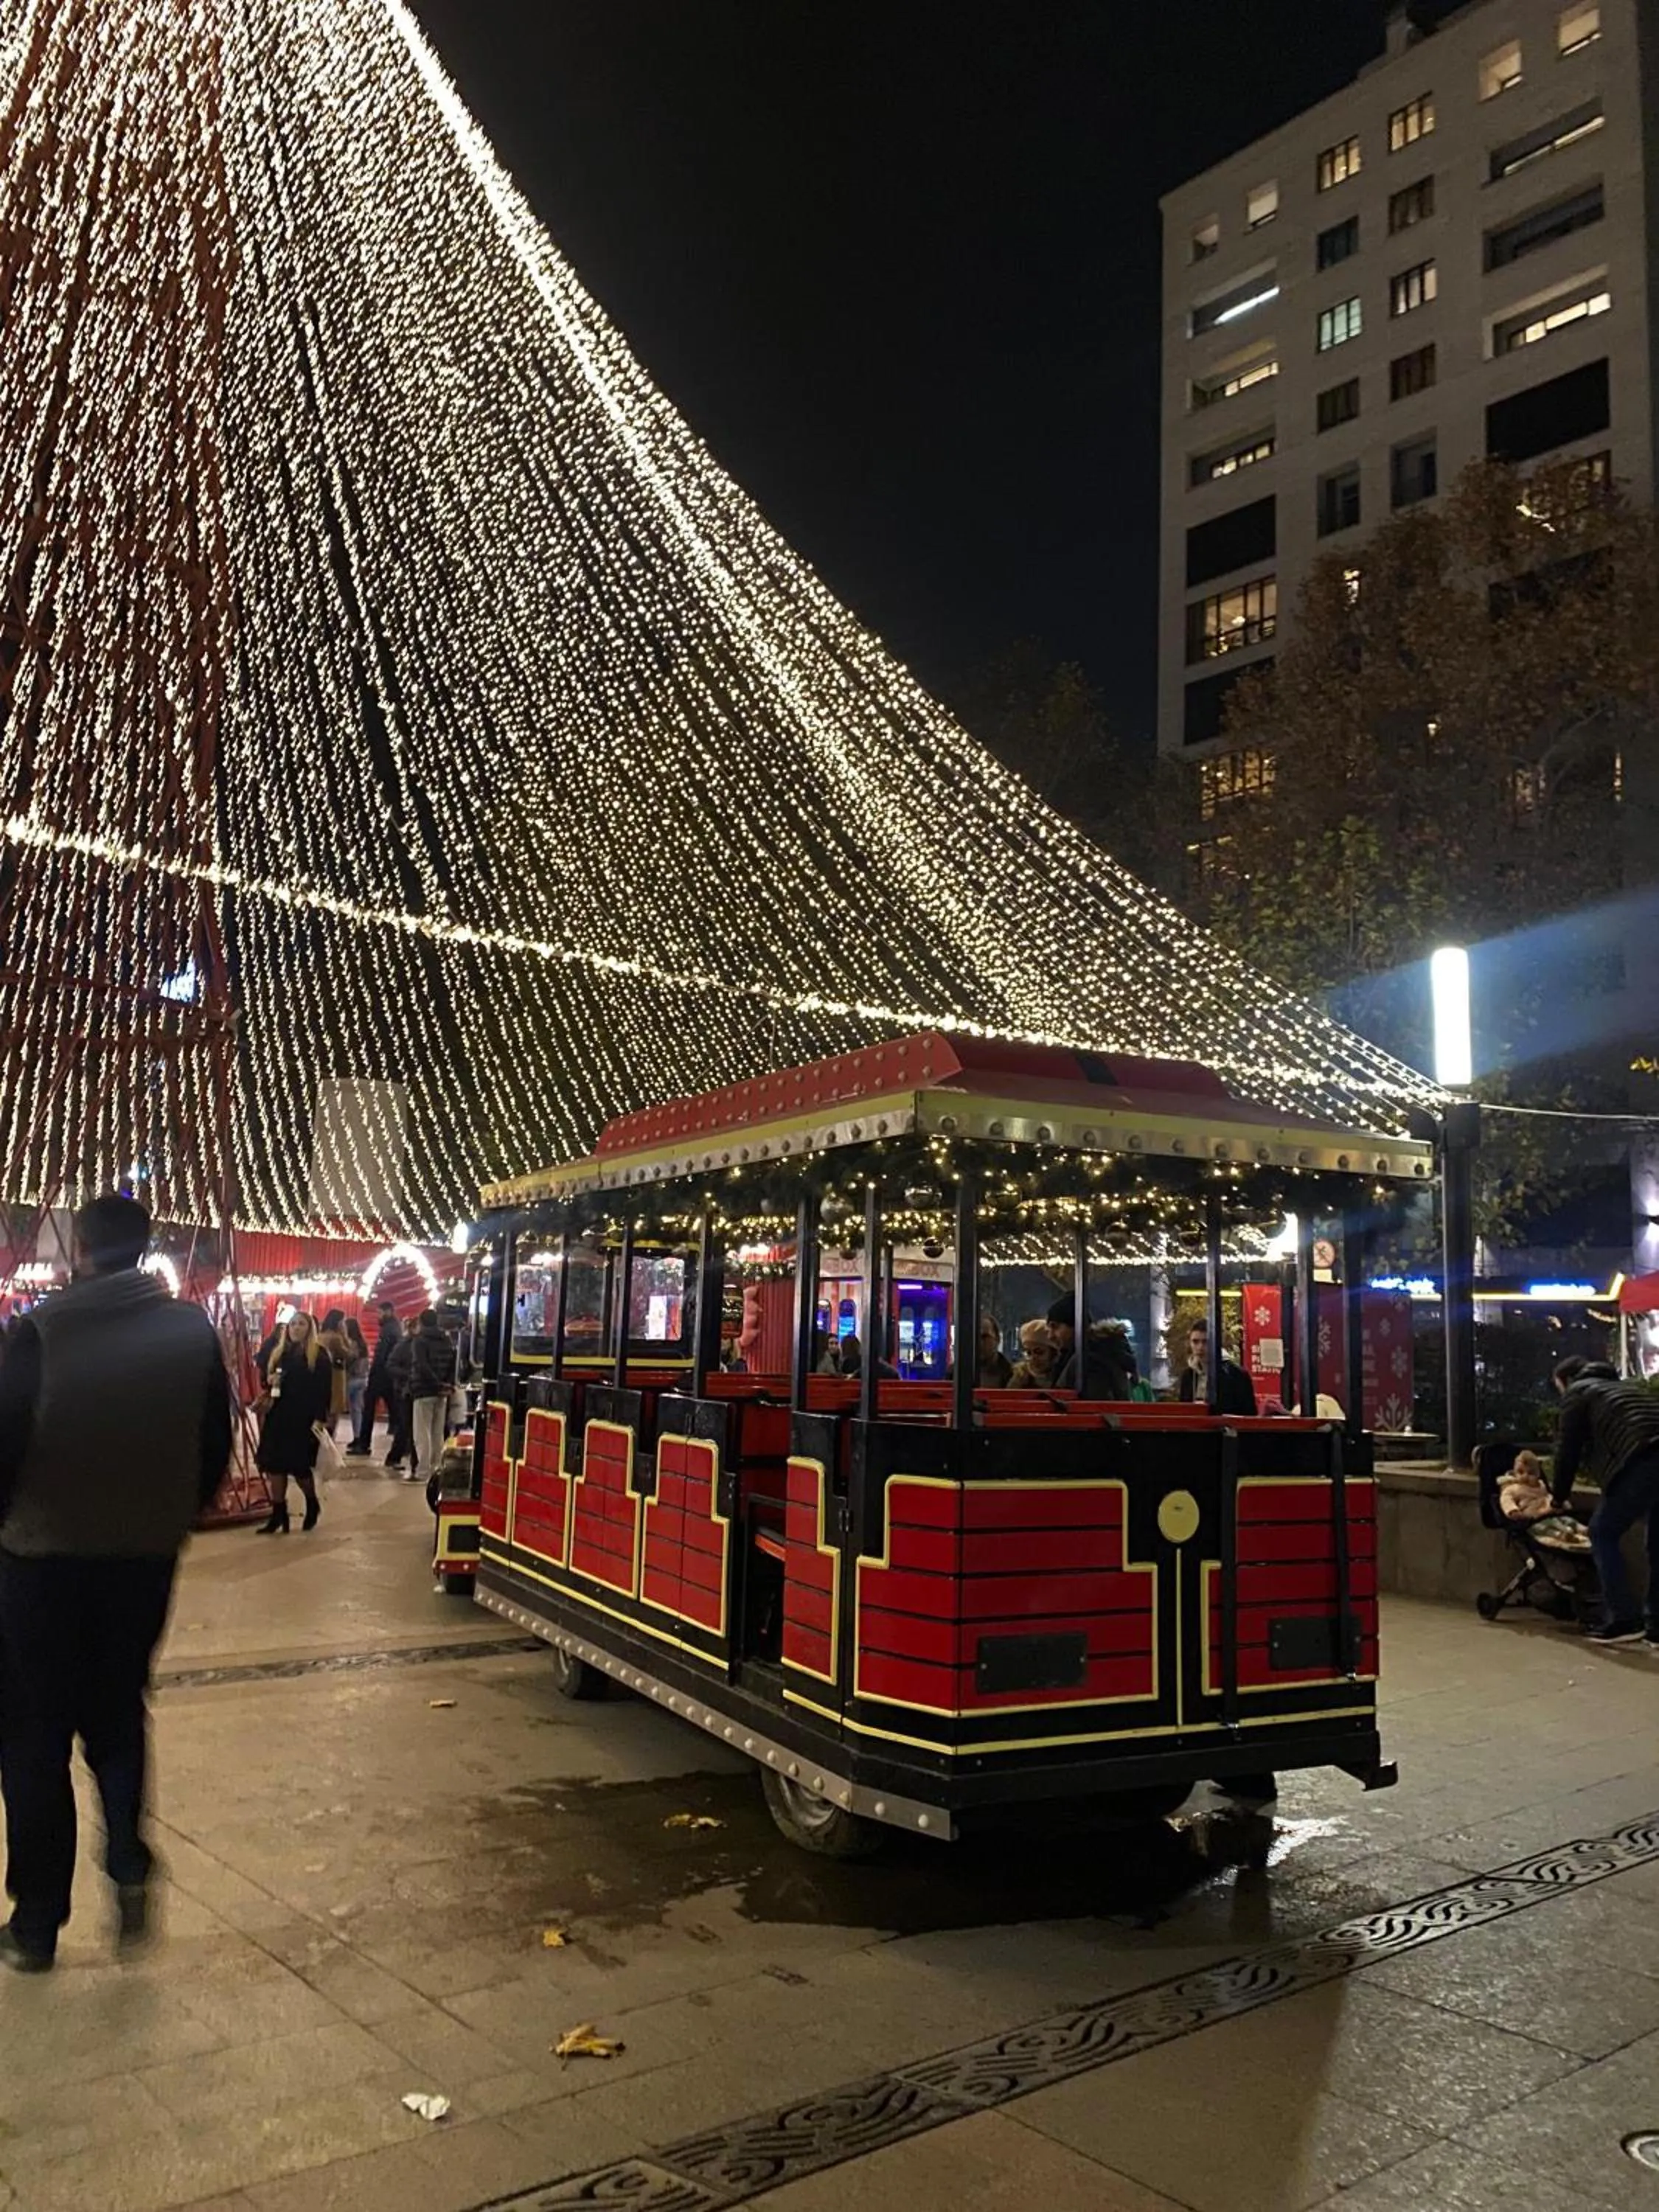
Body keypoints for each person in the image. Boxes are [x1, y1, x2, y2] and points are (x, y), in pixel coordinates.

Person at [0, 1193, 232, 1971]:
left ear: (80, 1252)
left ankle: (36, 1924)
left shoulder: (39, 1331)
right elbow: (214, 1447)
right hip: (142, 1562)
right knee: (117, 1716)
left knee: (33, 1738)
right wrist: (165, 1518)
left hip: (40, 1566)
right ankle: (129, 1866)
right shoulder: (191, 1332)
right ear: (143, 1249)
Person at [1549, 1356, 1659, 1645]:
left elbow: (1567, 1451)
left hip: (1642, 1460)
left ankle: (1625, 1618)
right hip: (1650, 1452)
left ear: (1566, 1381)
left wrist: (1558, 1497)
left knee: (1602, 1532)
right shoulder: (1626, 1389)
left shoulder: (1578, 1393)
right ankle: (1657, 1623)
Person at [255, 1312, 333, 1533]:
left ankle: (312, 1504)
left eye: (301, 1324)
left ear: (310, 1328)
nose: (296, 1328)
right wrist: (269, 1381)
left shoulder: (318, 1355)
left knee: (299, 1468)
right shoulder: (280, 1352)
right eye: (292, 1324)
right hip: (278, 1416)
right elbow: (267, 1381)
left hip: (303, 1419)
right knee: (274, 1466)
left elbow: (324, 1390)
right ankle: (278, 1513)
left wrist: (320, 1418)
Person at [400, 1308, 458, 1484]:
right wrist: (446, 1384)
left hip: (424, 1391)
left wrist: (436, 1384)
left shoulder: (420, 1341)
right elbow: (453, 1364)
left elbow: (422, 1366)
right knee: (437, 1432)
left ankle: (423, 1471)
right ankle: (436, 1468)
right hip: (443, 1392)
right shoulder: (447, 1340)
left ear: (422, 1323)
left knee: (421, 1433)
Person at [1046, 1298, 1136, 1399]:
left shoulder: (1090, 1361)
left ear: (1075, 1325)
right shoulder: (1102, 1353)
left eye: (1055, 1327)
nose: (1050, 1336)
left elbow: (1092, 1408)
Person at [347, 1301, 403, 1458]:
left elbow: (381, 1355)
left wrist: (375, 1374)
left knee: (369, 1410)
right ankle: (401, 1446)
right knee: (395, 1412)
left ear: (388, 1312)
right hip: (389, 1377)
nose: (378, 1317)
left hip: (381, 1376)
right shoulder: (395, 1329)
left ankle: (364, 1444)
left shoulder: (388, 1330)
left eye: (380, 1313)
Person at [1177, 1318, 1258, 1417]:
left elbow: (1249, 1416)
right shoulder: (1188, 1375)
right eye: (1195, 1342)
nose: (1200, 1347)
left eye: (1205, 1342)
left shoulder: (1236, 1375)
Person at [317, 1307, 351, 1438]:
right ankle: (329, 1436)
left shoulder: (320, 1336)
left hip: (322, 1374)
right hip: (336, 1374)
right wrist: (345, 1336)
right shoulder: (336, 1337)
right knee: (335, 1407)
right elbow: (348, 1354)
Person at [341, 1315, 370, 1439]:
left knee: (337, 1406)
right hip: (363, 1378)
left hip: (351, 1378)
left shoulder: (351, 1343)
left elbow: (349, 1359)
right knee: (357, 1409)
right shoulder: (363, 1343)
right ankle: (357, 1436)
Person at [1009, 1319, 1056, 1391]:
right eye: (1029, 1353)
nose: (1033, 1358)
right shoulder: (1020, 1376)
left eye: (1039, 1352)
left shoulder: (1063, 1376)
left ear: (1053, 1353)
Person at [976, 1315, 1012, 1390]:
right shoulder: (955, 1373)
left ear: (998, 1339)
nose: (979, 1342)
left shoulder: (1013, 1375)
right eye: (974, 1337)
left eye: (985, 1337)